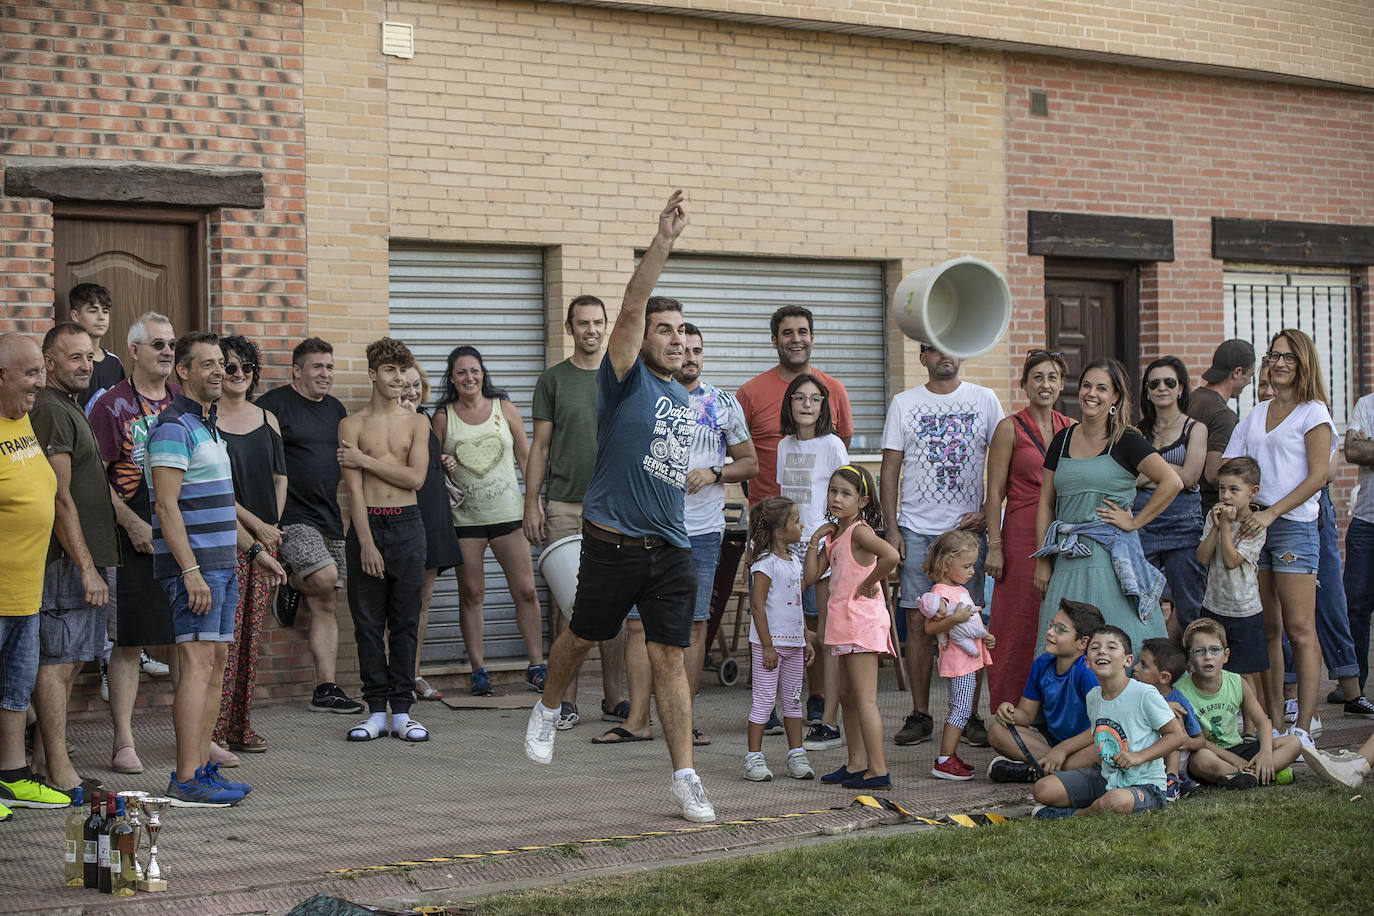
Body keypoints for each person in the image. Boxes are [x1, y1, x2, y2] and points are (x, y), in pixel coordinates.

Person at [523, 191, 717, 824]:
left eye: (678, 332)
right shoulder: (623, 377)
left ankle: (685, 777)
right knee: (581, 636)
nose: (671, 339)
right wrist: (662, 240)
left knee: (668, 660)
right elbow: (633, 303)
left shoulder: (687, 400)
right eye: (662, 329)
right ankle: (549, 708)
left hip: (671, 549)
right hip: (611, 545)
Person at [146, 332, 285, 806]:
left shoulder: (207, 428)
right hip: (197, 572)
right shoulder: (172, 427)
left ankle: (203, 770)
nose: (218, 373)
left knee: (216, 666)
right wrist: (189, 571)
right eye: (206, 364)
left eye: (221, 365)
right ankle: (185, 778)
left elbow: (222, 506)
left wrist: (253, 553)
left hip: (225, 564)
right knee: (198, 666)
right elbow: (166, 508)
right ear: (182, 371)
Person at [605, 324, 757, 746]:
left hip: (702, 534)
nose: (689, 355)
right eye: (681, 348)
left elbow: (750, 464)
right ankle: (637, 720)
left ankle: (683, 721)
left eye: (697, 350)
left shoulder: (723, 403)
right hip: (646, 529)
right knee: (637, 626)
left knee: (692, 627)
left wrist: (715, 473)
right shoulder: (643, 394)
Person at [881, 342, 1004, 748]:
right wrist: (892, 528)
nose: (943, 357)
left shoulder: (984, 399)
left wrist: (988, 512)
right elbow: (890, 469)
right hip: (915, 529)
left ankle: (968, 714)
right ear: (922, 358)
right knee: (918, 623)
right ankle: (919, 714)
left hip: (966, 533)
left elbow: (1002, 464)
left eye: (950, 349)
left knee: (969, 621)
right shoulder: (904, 402)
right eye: (933, 350)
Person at [1221, 329, 1335, 743]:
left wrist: (1270, 512)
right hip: (1254, 524)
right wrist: (1248, 506)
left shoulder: (1313, 413)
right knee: (1267, 627)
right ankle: (1273, 722)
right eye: (1274, 356)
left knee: (1300, 628)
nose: (1280, 363)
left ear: (1304, 362)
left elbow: (1318, 477)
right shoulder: (1257, 412)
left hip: (1292, 526)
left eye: (1288, 357)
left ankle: (1304, 726)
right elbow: (1230, 462)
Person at [523, 295, 626, 728]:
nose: (591, 330)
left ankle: (613, 698)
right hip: (565, 505)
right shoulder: (553, 380)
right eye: (582, 323)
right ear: (570, 328)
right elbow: (540, 446)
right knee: (570, 604)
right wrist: (532, 501)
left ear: (606, 327)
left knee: (617, 603)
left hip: (616, 506)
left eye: (598, 322)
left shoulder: (622, 377)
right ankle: (563, 701)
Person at [1033, 359, 1180, 659]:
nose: (1092, 393)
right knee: (1061, 647)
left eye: (1102, 388)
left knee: (1115, 645)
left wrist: (1135, 521)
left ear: (1115, 397)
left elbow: (1172, 481)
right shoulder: (1061, 440)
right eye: (1087, 385)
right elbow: (1046, 503)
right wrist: (1042, 560)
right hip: (1066, 558)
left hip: (1110, 560)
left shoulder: (1125, 440)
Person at [89, 312, 181, 774]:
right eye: (158, 344)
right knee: (127, 643)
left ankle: (195, 739)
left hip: (181, 531)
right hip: (134, 532)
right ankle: (123, 742)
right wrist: (128, 520)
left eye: (170, 344)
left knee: (189, 637)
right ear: (134, 350)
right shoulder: (111, 405)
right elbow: (94, 476)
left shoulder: (183, 402)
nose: (167, 351)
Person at [29, 324, 116, 797]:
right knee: (58, 663)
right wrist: (85, 566)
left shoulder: (70, 407)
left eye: (89, 357)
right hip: (63, 561)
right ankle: (57, 771)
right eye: (73, 357)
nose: (85, 365)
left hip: (81, 559)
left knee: (70, 661)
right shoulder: (50, 410)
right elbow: (59, 498)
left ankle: (45, 762)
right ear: (48, 362)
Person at [256, 338, 363, 716]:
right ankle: (287, 574)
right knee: (323, 577)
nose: (325, 374)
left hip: (328, 515)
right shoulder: (273, 406)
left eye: (330, 367)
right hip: (290, 516)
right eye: (317, 367)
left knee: (326, 597)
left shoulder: (335, 408)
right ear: (296, 370)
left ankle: (325, 688)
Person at [432, 345, 546, 695]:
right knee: (472, 593)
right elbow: (430, 465)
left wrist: (534, 504)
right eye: (462, 372)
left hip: (509, 517)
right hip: (465, 520)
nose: (469, 377)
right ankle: (479, 669)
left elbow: (527, 458)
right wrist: (443, 462)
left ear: (483, 374)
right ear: (452, 378)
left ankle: (537, 665)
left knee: (525, 590)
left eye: (475, 370)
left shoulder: (504, 408)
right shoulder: (443, 416)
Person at [337, 338, 431, 743]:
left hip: (409, 524)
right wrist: (367, 543)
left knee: (406, 621)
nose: (398, 379)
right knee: (368, 624)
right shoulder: (351, 425)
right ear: (373, 374)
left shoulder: (418, 423)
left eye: (402, 371)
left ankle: (404, 711)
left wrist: (364, 460)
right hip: (367, 526)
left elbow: (415, 479)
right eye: (389, 371)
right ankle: (376, 710)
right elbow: (353, 491)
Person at [0, 333, 68, 819]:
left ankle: (12, 777)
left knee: (13, 690)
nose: (40, 382)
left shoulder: (21, 420)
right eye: (29, 374)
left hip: (26, 588)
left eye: (41, 372)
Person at [984, 349, 1073, 712]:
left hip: (1063, 530)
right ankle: (1007, 704)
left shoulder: (1071, 428)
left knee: (1058, 616)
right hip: (1020, 531)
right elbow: (993, 494)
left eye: (1052, 377)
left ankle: (1049, 707)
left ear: (1062, 384)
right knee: (1017, 620)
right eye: (1037, 377)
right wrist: (994, 546)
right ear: (1024, 384)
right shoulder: (1010, 427)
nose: (1045, 384)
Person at [211, 336, 286, 755]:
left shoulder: (267, 419)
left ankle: (241, 725)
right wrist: (255, 526)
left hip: (265, 540)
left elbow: (280, 477)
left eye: (245, 368)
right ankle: (214, 730)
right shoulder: (208, 419)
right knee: (226, 641)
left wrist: (271, 524)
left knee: (252, 639)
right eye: (230, 367)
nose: (238, 375)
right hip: (227, 538)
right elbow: (215, 489)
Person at [806, 465, 900, 791]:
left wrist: (869, 583)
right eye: (833, 491)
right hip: (842, 627)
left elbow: (891, 556)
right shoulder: (836, 536)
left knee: (864, 699)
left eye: (845, 493)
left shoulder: (861, 532)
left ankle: (878, 769)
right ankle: (856, 762)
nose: (836, 498)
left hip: (861, 626)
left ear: (862, 501)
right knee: (846, 697)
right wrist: (815, 540)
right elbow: (810, 576)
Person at [1030, 625, 1184, 818]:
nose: (1102, 651)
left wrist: (1138, 757)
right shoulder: (1093, 697)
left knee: (1114, 801)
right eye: (1095, 647)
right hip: (1106, 777)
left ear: (1127, 660)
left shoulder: (1144, 693)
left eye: (1111, 647)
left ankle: (1073, 815)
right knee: (1043, 789)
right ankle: (1096, 803)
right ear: (1087, 661)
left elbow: (1177, 736)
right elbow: (1099, 735)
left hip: (1146, 786)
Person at [776, 372, 847, 750]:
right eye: (799, 398)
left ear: (824, 405)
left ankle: (829, 718)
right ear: (789, 404)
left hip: (823, 547)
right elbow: (788, 501)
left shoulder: (832, 445)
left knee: (829, 632)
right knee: (789, 628)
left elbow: (845, 497)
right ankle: (786, 704)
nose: (807, 405)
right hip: (790, 550)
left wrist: (827, 538)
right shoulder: (783, 446)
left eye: (815, 399)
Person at [736, 306, 854, 506]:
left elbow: (842, 443)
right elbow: (738, 452)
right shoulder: (749, 393)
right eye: (787, 333)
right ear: (774, 340)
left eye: (803, 332)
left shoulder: (834, 389)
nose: (796, 339)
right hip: (766, 516)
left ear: (812, 338)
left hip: (819, 520)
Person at [1174, 618, 1303, 789]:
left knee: (1294, 742)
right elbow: (1193, 740)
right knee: (1200, 761)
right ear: (1189, 659)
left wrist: (1265, 753)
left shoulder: (1237, 682)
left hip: (1239, 746)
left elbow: (1262, 722)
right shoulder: (1180, 691)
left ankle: (1244, 775)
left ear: (1225, 655)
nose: (1208, 657)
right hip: (1210, 752)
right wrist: (1234, 760)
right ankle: (1262, 774)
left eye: (1215, 650)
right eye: (1199, 651)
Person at [987, 598, 1103, 784]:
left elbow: (1101, 726)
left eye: (1060, 629)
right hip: (1051, 743)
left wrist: (1063, 750)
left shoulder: (1086, 672)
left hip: (1085, 744)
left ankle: (1037, 770)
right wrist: (1010, 712)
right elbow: (1026, 714)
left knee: (1103, 751)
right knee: (997, 732)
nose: (1050, 632)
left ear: (1082, 642)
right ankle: (1057, 770)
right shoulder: (1042, 664)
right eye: (1051, 625)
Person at [399, 363, 461, 702]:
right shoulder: (388, 422)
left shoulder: (425, 417)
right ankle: (392, 675)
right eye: (404, 386)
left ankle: (413, 674)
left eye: (416, 385)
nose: (411, 392)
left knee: (422, 602)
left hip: (433, 514)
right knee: (396, 602)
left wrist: (443, 459)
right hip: (401, 517)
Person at [1133, 356, 1208, 634]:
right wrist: (1169, 475)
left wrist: (1148, 476)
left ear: (1180, 388)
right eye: (1154, 383)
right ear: (1147, 391)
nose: (1161, 387)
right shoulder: (1137, 432)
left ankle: (1195, 670)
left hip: (1183, 525)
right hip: (1143, 522)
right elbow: (1129, 478)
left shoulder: (1195, 429)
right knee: (1141, 600)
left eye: (1169, 382)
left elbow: (1190, 477)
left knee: (1190, 605)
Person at [742, 496, 814, 782]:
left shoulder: (794, 561)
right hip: (768, 647)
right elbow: (757, 606)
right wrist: (767, 646)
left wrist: (805, 637)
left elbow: (796, 602)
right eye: (796, 521)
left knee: (794, 701)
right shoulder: (765, 564)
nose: (802, 525)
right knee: (763, 700)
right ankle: (753, 758)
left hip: (794, 645)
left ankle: (796, 754)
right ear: (779, 532)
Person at [917, 530, 995, 781]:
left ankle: (949, 755)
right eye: (967, 565)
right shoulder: (939, 592)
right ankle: (944, 760)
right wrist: (954, 618)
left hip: (968, 661)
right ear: (946, 563)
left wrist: (986, 634)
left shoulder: (959, 589)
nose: (972, 571)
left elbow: (971, 620)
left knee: (960, 707)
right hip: (958, 662)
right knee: (960, 709)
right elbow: (929, 628)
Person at [1195, 457, 1269, 712]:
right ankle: (1223, 720)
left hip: (1244, 612)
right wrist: (1216, 527)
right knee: (1214, 670)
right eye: (1221, 488)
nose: (1225, 495)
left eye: (1234, 490)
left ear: (1253, 492)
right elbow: (1202, 558)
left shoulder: (1255, 526)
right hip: (1213, 607)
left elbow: (1230, 561)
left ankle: (1251, 728)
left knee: (1244, 675)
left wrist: (1225, 526)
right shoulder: (1213, 518)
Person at [1187, 339, 1256, 516]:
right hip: (1205, 509)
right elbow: (1212, 473)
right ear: (1237, 372)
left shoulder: (1192, 398)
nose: (1249, 383)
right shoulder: (1224, 415)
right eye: (1249, 376)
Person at [1131, 637, 1203, 801]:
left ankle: (1172, 779)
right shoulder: (1133, 690)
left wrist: (1182, 741)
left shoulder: (1179, 701)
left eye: (1143, 665)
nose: (1134, 668)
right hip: (1144, 753)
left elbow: (1200, 741)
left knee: (1174, 719)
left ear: (1164, 677)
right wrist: (1164, 705)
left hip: (1173, 755)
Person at [1342, 389, 1374, 714]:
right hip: (1366, 521)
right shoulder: (1367, 403)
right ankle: (1356, 689)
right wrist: (1360, 448)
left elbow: (1363, 448)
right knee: (1356, 607)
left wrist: (1370, 447)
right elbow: (1351, 449)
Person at [67, 283, 124, 413]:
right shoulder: (67, 361)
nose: (101, 317)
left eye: (105, 311)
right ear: (75, 316)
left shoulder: (114, 363)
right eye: (93, 311)